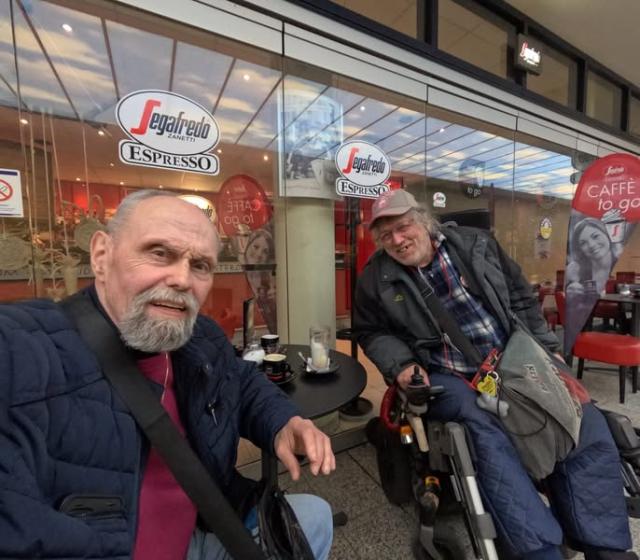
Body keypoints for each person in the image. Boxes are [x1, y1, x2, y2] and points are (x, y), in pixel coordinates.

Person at [0, 190, 335, 560]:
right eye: (159, 253)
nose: (181, 279)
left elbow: (240, 380)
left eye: (201, 265)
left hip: (204, 528)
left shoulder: (201, 336)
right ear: (101, 255)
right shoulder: (23, 350)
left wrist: (282, 421)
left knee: (315, 516)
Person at [354, 189, 636, 560]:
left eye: (403, 227)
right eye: (386, 235)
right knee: (484, 434)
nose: (397, 240)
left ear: (422, 220)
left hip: (512, 355)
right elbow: (371, 331)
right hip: (449, 374)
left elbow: (520, 298)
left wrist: (547, 347)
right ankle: (538, 550)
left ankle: (606, 546)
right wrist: (403, 364)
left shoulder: (476, 244)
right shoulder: (375, 278)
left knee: (581, 418)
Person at [566, 217, 620, 295]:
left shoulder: (621, 264)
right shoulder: (575, 270)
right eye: (583, 243)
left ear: (607, 234)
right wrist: (571, 293)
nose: (591, 245)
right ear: (580, 249)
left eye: (595, 236)